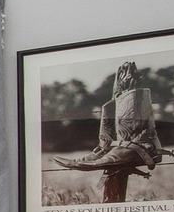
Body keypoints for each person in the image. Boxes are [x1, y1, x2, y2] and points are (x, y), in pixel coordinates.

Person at [53, 60, 168, 203]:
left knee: (126, 99)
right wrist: (105, 146)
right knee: (112, 106)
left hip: (140, 145)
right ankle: (108, 149)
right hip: (123, 146)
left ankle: (139, 147)